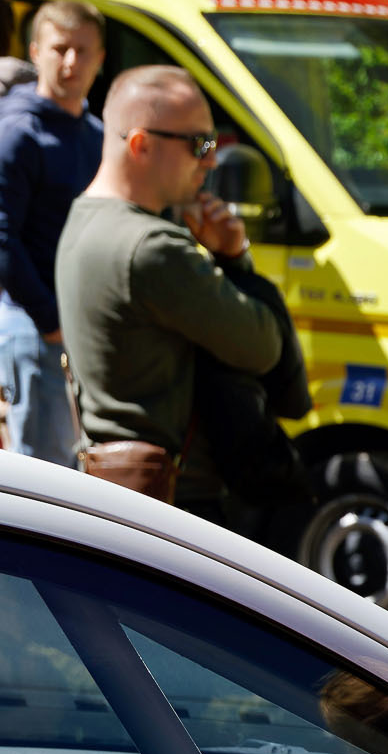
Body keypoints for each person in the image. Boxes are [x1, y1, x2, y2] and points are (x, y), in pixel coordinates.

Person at [56, 66, 299, 520]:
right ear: (140, 144)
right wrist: (235, 256)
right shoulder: (152, 248)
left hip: (118, 488)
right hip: (179, 505)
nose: (211, 160)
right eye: (199, 143)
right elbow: (263, 347)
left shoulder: (82, 218)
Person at [0, 0, 106, 462]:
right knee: (43, 476)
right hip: (34, 327)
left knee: (75, 466)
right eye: (60, 48)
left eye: (83, 51)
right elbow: (2, 235)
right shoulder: (17, 132)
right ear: (35, 52)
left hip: (79, 329)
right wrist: (50, 321)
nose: (71, 62)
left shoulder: (97, 133)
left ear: (101, 59)